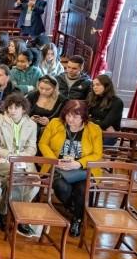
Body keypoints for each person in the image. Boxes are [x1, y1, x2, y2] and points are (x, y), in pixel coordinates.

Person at [39, 99, 104, 237]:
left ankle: (77, 220)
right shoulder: (55, 123)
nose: (70, 119)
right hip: (57, 166)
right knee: (61, 186)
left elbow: (97, 154)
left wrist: (78, 163)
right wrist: (55, 161)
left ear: (84, 117)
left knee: (82, 188)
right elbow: (43, 144)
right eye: (68, 115)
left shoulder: (94, 129)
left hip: (82, 169)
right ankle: (75, 209)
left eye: (75, 117)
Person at [0, 93, 38, 235]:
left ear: (24, 109)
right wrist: (10, 155)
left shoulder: (32, 125)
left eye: (16, 108)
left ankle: (3, 212)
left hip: (23, 161)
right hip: (2, 160)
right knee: (18, 177)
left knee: (14, 180)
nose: (12, 111)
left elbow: (32, 148)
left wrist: (20, 157)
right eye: (10, 107)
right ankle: (19, 219)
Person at [87, 74, 124, 141]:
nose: (95, 87)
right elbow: (84, 115)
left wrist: (89, 119)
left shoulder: (117, 102)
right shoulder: (92, 97)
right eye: (93, 85)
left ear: (106, 86)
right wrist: (97, 121)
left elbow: (104, 124)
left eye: (98, 85)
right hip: (93, 130)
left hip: (109, 135)